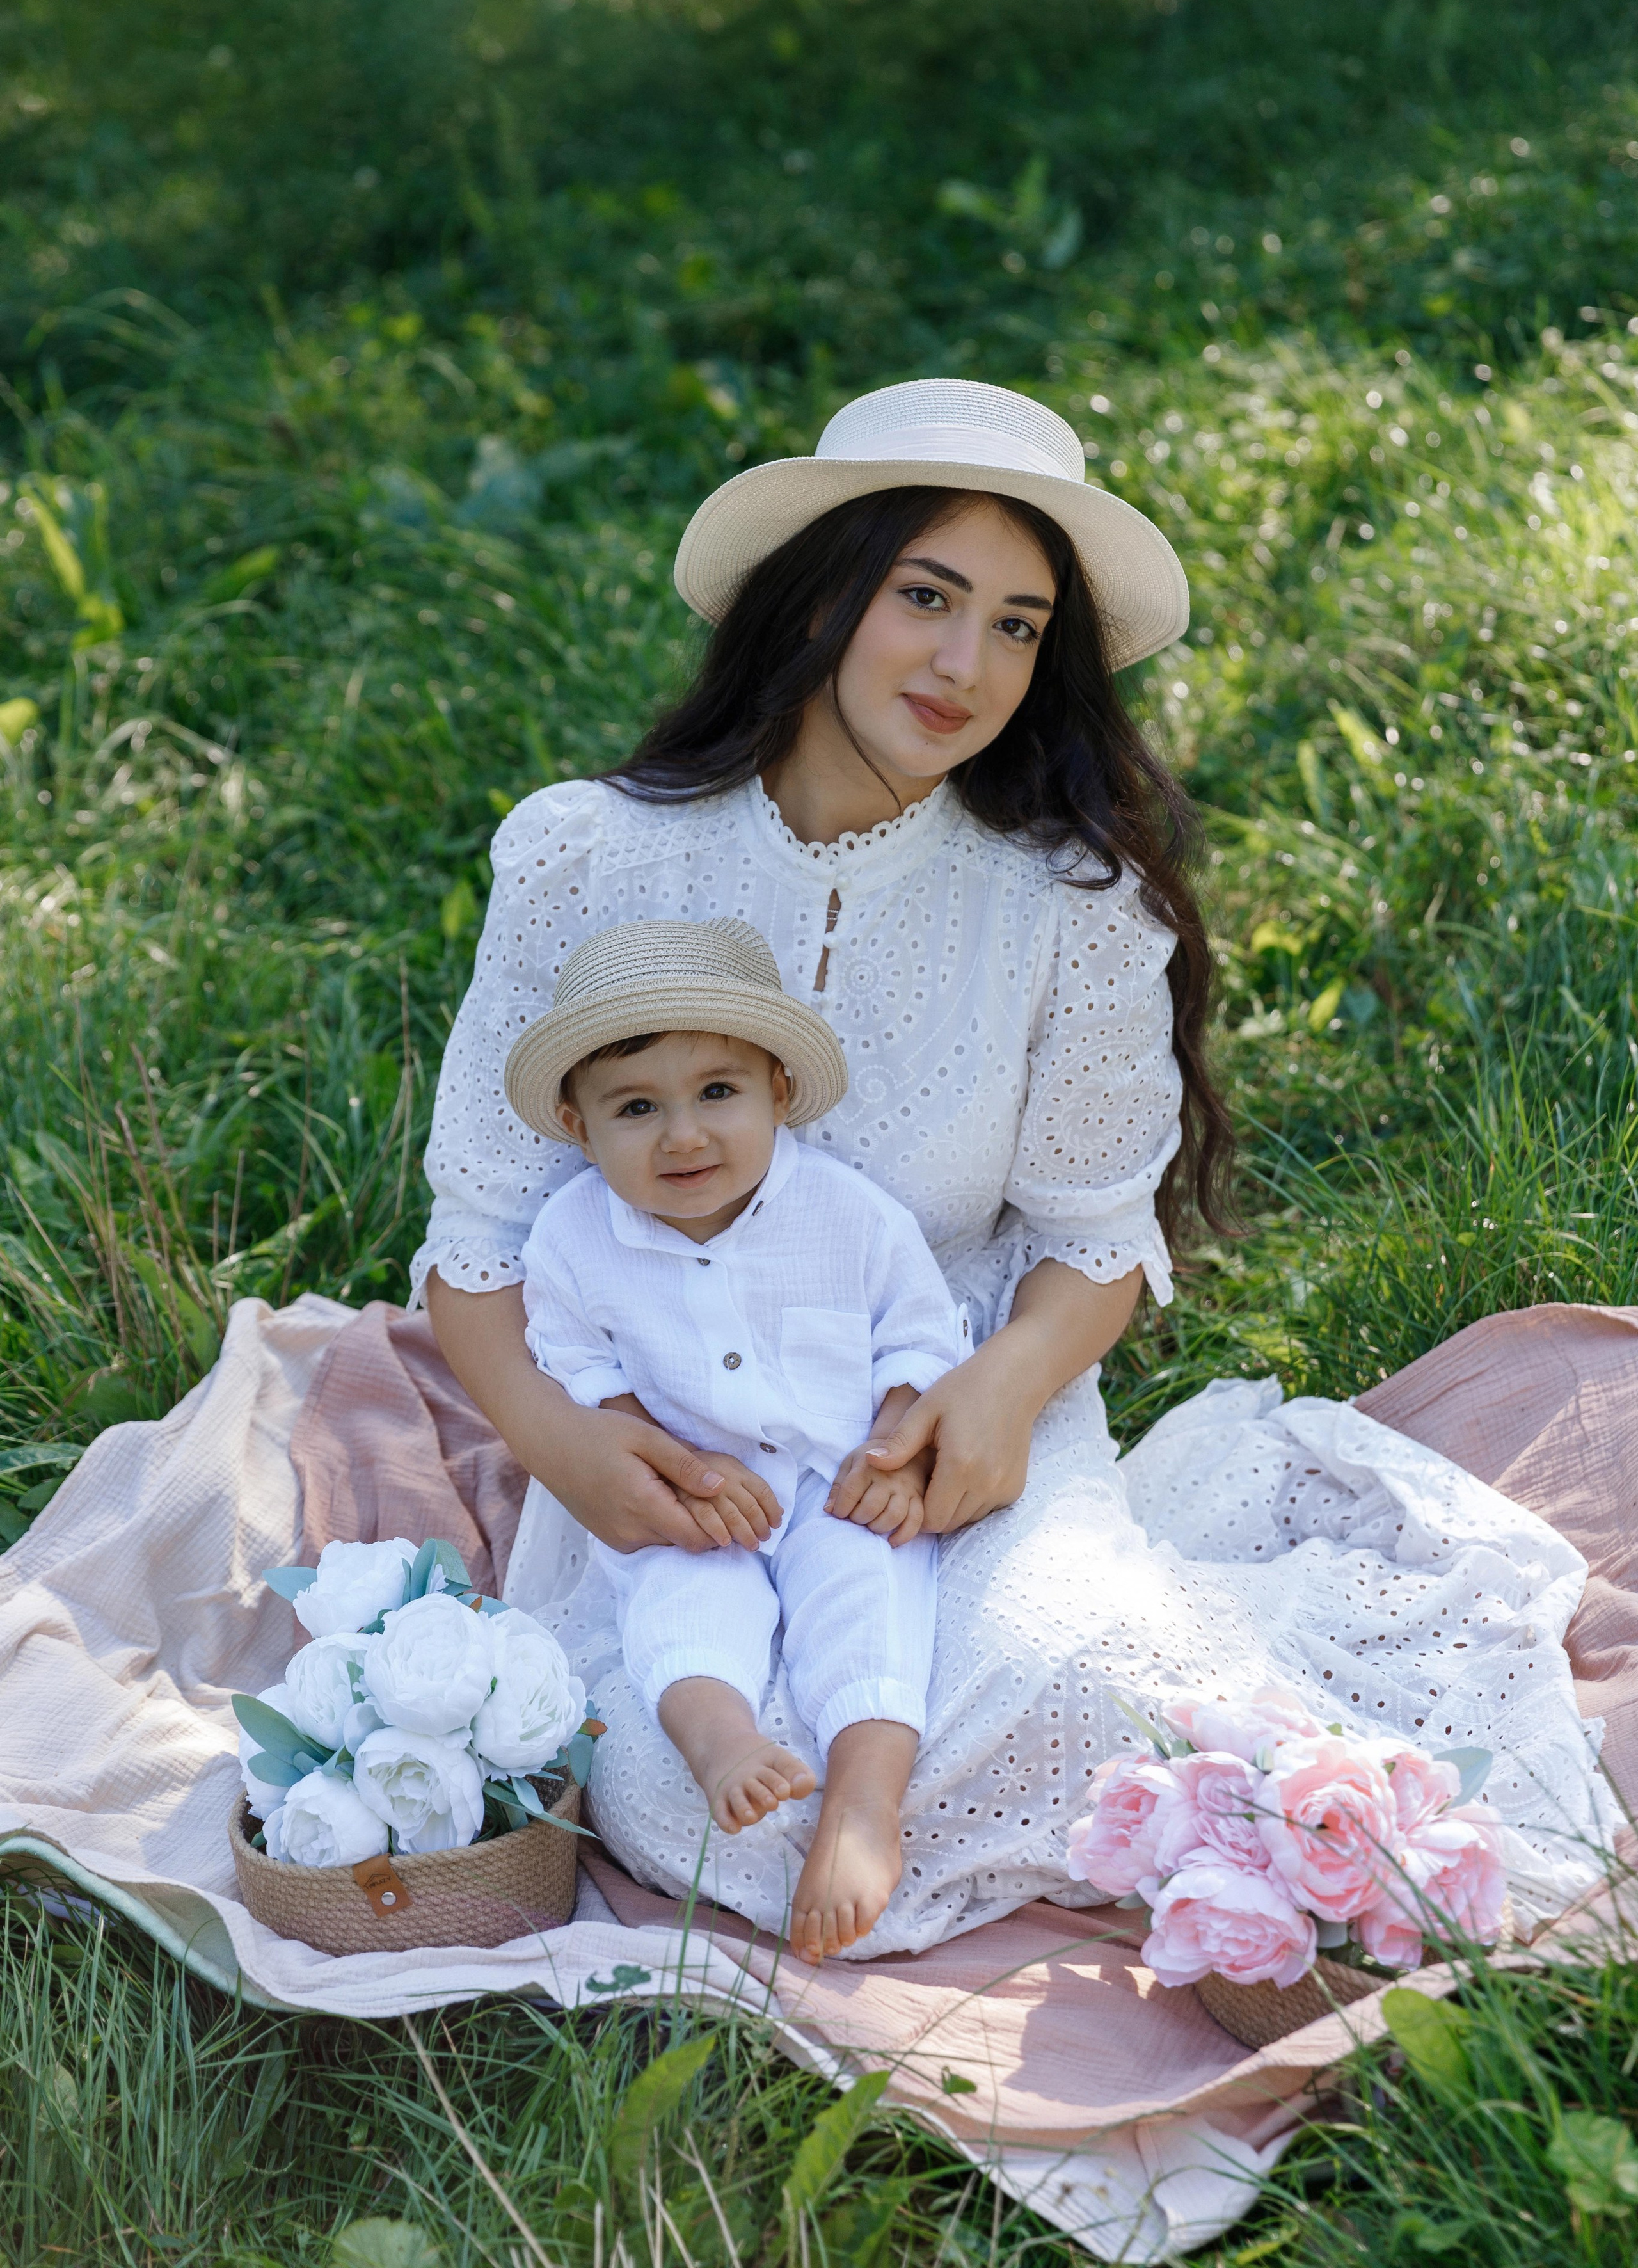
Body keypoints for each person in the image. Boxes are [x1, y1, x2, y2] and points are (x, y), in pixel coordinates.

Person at [418, 377, 1610, 1955]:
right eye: (924, 598)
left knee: (1075, 1690)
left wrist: (999, 1392)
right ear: (820, 596)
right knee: (673, 1793)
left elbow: (1090, 1237)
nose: (964, 666)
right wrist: (565, 1447)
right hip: (668, 1422)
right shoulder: (588, 855)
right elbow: (483, 1235)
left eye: (1016, 626)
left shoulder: (1062, 903)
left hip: (942, 1404)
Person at [505, 914, 969, 1959]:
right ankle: (722, 1745)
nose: (684, 1136)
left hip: (833, 1474)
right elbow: (581, 1368)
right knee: (677, 1594)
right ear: (578, 1127)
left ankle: (863, 1798)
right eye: (637, 1108)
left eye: (718, 1092)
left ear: (778, 1092)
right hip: (689, 1495)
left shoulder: (850, 1216)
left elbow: (917, 1337)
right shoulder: (570, 1240)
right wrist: (667, 1466)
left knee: (870, 1580)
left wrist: (895, 1454)